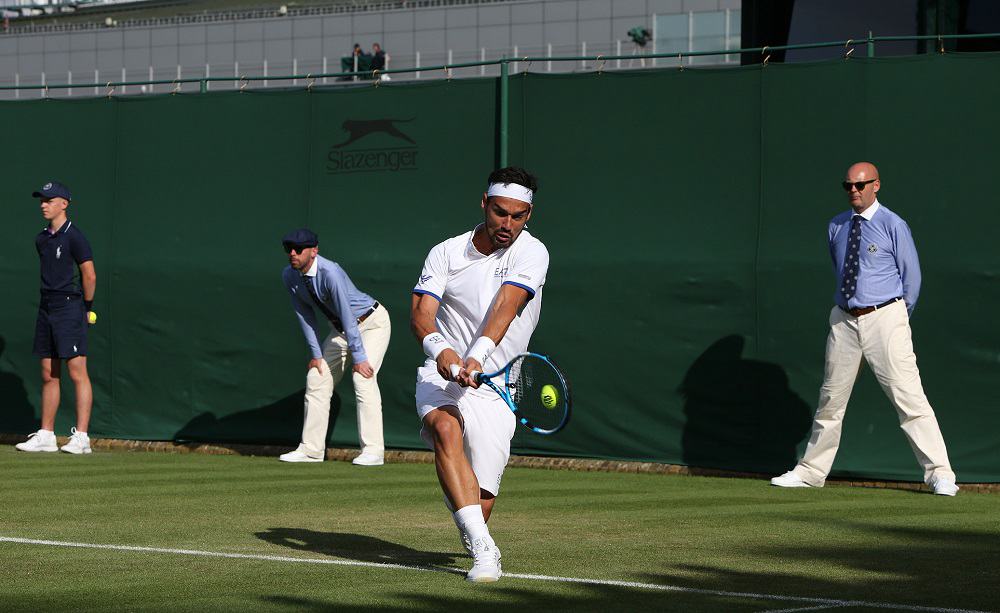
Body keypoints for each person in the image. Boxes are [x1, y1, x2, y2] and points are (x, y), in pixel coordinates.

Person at [771, 162, 959, 496]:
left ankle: (940, 475)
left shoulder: (893, 224)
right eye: (847, 186)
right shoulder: (837, 226)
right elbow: (840, 269)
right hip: (844, 319)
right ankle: (811, 471)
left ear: (876, 185)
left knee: (909, 397)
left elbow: (911, 278)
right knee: (830, 399)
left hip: (885, 317)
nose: (853, 191)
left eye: (860, 185)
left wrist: (895, 316)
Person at [410, 166, 549, 582]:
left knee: (480, 501)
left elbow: (506, 307)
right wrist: (442, 351)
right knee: (444, 430)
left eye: (518, 216)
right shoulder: (446, 252)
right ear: (484, 203)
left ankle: (475, 532)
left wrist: (478, 357)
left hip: (499, 386)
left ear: (529, 215)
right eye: (500, 212)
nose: (507, 224)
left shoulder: (532, 252)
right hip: (443, 377)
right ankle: (487, 554)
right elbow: (421, 314)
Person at [279, 228, 391, 466]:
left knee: (363, 379)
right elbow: (305, 315)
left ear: (314, 251)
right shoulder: (289, 275)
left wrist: (359, 357)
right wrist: (316, 354)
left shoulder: (331, 272)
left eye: (298, 249)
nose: (293, 253)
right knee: (316, 377)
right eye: (289, 249)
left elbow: (347, 314)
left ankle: (373, 451)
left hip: (371, 323)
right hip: (340, 331)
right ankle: (311, 450)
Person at [16, 181, 97, 455]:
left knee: (77, 372)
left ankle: (82, 437)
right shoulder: (41, 239)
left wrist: (87, 307)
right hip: (46, 307)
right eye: (41, 200)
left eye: (49, 200)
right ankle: (47, 435)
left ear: (64, 203)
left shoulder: (75, 236)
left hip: (70, 307)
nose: (43, 204)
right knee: (49, 374)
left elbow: (90, 275)